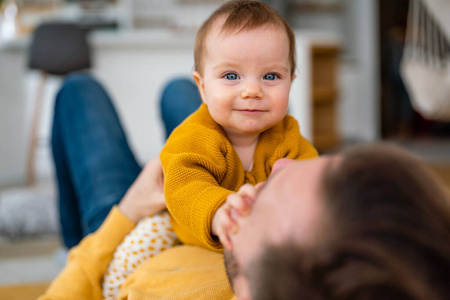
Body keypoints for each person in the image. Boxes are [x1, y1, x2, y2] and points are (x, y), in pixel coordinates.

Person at [41, 71, 450, 298]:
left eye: (264, 195)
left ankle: (71, 239)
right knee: (185, 92)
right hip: (186, 202)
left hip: (121, 237)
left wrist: (126, 212)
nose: (282, 164)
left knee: (78, 91)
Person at [103, 1, 317, 297]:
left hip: (252, 247)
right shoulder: (193, 135)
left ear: (290, 83)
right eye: (231, 76)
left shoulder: (289, 137)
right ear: (202, 87)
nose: (252, 90)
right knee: (134, 248)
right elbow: (183, 186)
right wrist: (217, 212)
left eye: (271, 77)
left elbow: (311, 181)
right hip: (185, 230)